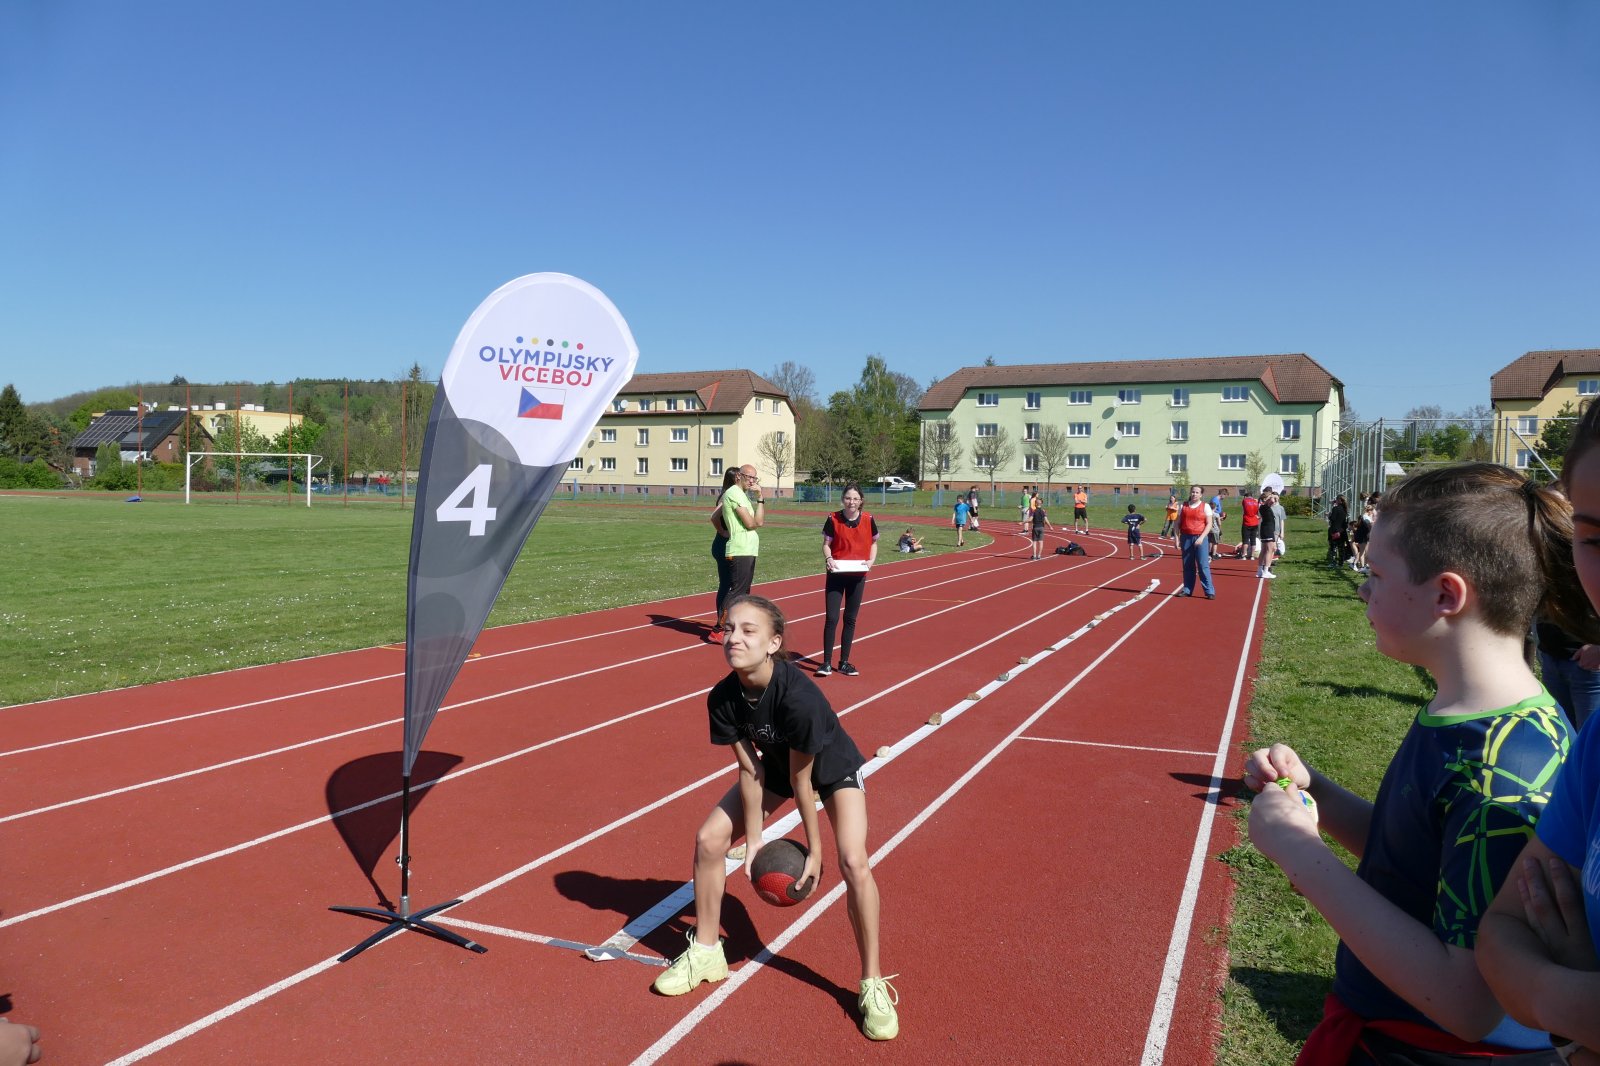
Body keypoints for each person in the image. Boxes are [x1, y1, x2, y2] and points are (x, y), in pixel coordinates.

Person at [1244, 463, 1593, 1064]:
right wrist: (1316, 792)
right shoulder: (1467, 712)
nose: (1364, 590)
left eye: (1377, 575)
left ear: (1446, 595)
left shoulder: (1502, 770)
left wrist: (1300, 853)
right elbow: (1413, 853)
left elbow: (1468, 1003)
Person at [652, 595, 900, 1042]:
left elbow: (806, 783)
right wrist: (755, 840)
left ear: (773, 643)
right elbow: (752, 770)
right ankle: (707, 952)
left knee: (853, 862)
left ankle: (873, 983)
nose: (734, 638)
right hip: (778, 770)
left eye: (749, 630)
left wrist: (815, 852)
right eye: (730, 628)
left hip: (832, 770)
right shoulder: (723, 698)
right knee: (709, 839)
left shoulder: (799, 699)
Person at [1479, 400, 1600, 1066]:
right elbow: (1500, 934)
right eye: (1595, 540)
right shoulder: (1597, 745)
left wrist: (1556, 996)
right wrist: (1573, 1009)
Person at [817, 484, 878, 677]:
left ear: (861, 501)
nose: (851, 502)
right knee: (832, 618)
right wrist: (829, 558)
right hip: (836, 574)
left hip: (858, 576)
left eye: (855, 499)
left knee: (850, 619)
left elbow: (874, 543)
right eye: (848, 498)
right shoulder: (833, 518)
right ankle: (826, 663)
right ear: (843, 499)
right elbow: (826, 544)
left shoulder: (868, 519)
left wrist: (871, 561)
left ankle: (844, 662)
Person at [722, 464, 764, 606]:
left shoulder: (743, 495)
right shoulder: (733, 493)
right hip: (739, 549)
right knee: (737, 592)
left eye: (754, 478)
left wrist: (760, 498)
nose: (752, 481)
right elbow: (751, 524)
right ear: (739, 476)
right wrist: (723, 531)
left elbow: (759, 522)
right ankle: (722, 621)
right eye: (749, 477)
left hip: (749, 548)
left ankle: (736, 619)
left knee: (744, 592)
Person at [708, 467, 741, 635]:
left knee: (729, 585)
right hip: (723, 545)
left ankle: (724, 623)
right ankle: (720, 625)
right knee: (728, 585)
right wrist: (723, 531)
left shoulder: (732, 494)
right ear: (735, 478)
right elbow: (714, 517)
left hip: (727, 545)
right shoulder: (727, 495)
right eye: (741, 476)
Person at [1176, 484, 1216, 599]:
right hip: (1186, 537)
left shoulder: (1205, 506)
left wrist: (1202, 537)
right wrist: (1177, 538)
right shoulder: (1182, 506)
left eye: (1197, 492)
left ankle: (1209, 591)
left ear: (1201, 494)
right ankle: (1187, 589)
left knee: (1203, 565)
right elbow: (1177, 523)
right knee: (1188, 565)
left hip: (1200, 538)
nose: (1194, 494)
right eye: (1193, 492)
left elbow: (1209, 524)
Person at [1257, 488, 1280, 580]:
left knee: (1264, 550)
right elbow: (1271, 501)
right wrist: (1271, 496)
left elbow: (1273, 502)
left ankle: (1259, 571)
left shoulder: (1264, 507)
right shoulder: (1264, 507)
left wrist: (1272, 496)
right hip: (1268, 530)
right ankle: (1266, 571)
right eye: (1271, 498)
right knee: (1269, 550)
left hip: (1265, 530)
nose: (1273, 500)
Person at [1328, 494, 1350, 570]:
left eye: (1336, 499)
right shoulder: (1345, 509)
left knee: (1333, 547)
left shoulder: (1335, 508)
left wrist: (1329, 516)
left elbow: (1333, 519)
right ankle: (1341, 562)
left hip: (1334, 530)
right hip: (1342, 531)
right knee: (1341, 548)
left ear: (1339, 500)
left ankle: (1333, 562)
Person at [1352, 499, 1375, 573]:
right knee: (1362, 552)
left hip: (1363, 536)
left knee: (1363, 551)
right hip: (1363, 536)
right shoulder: (1366, 517)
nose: (1372, 513)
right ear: (1370, 511)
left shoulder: (1364, 516)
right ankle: (1358, 565)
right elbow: (1369, 525)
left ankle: (1363, 566)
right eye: (1372, 511)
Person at [1028, 496, 1052, 560]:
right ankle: (1039, 555)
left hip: (1035, 527)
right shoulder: (1043, 511)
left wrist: (1023, 522)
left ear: (1036, 504)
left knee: (1034, 542)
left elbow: (1030, 520)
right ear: (1041, 504)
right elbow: (1046, 520)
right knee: (1041, 542)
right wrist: (1050, 526)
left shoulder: (1034, 511)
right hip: (1041, 527)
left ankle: (1034, 555)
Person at [1240, 490, 1261, 560]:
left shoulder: (1245, 501)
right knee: (1253, 539)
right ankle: (1252, 555)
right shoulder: (1256, 502)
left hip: (1247, 522)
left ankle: (1244, 555)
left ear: (1246, 496)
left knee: (1245, 540)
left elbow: (1244, 503)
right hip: (1255, 522)